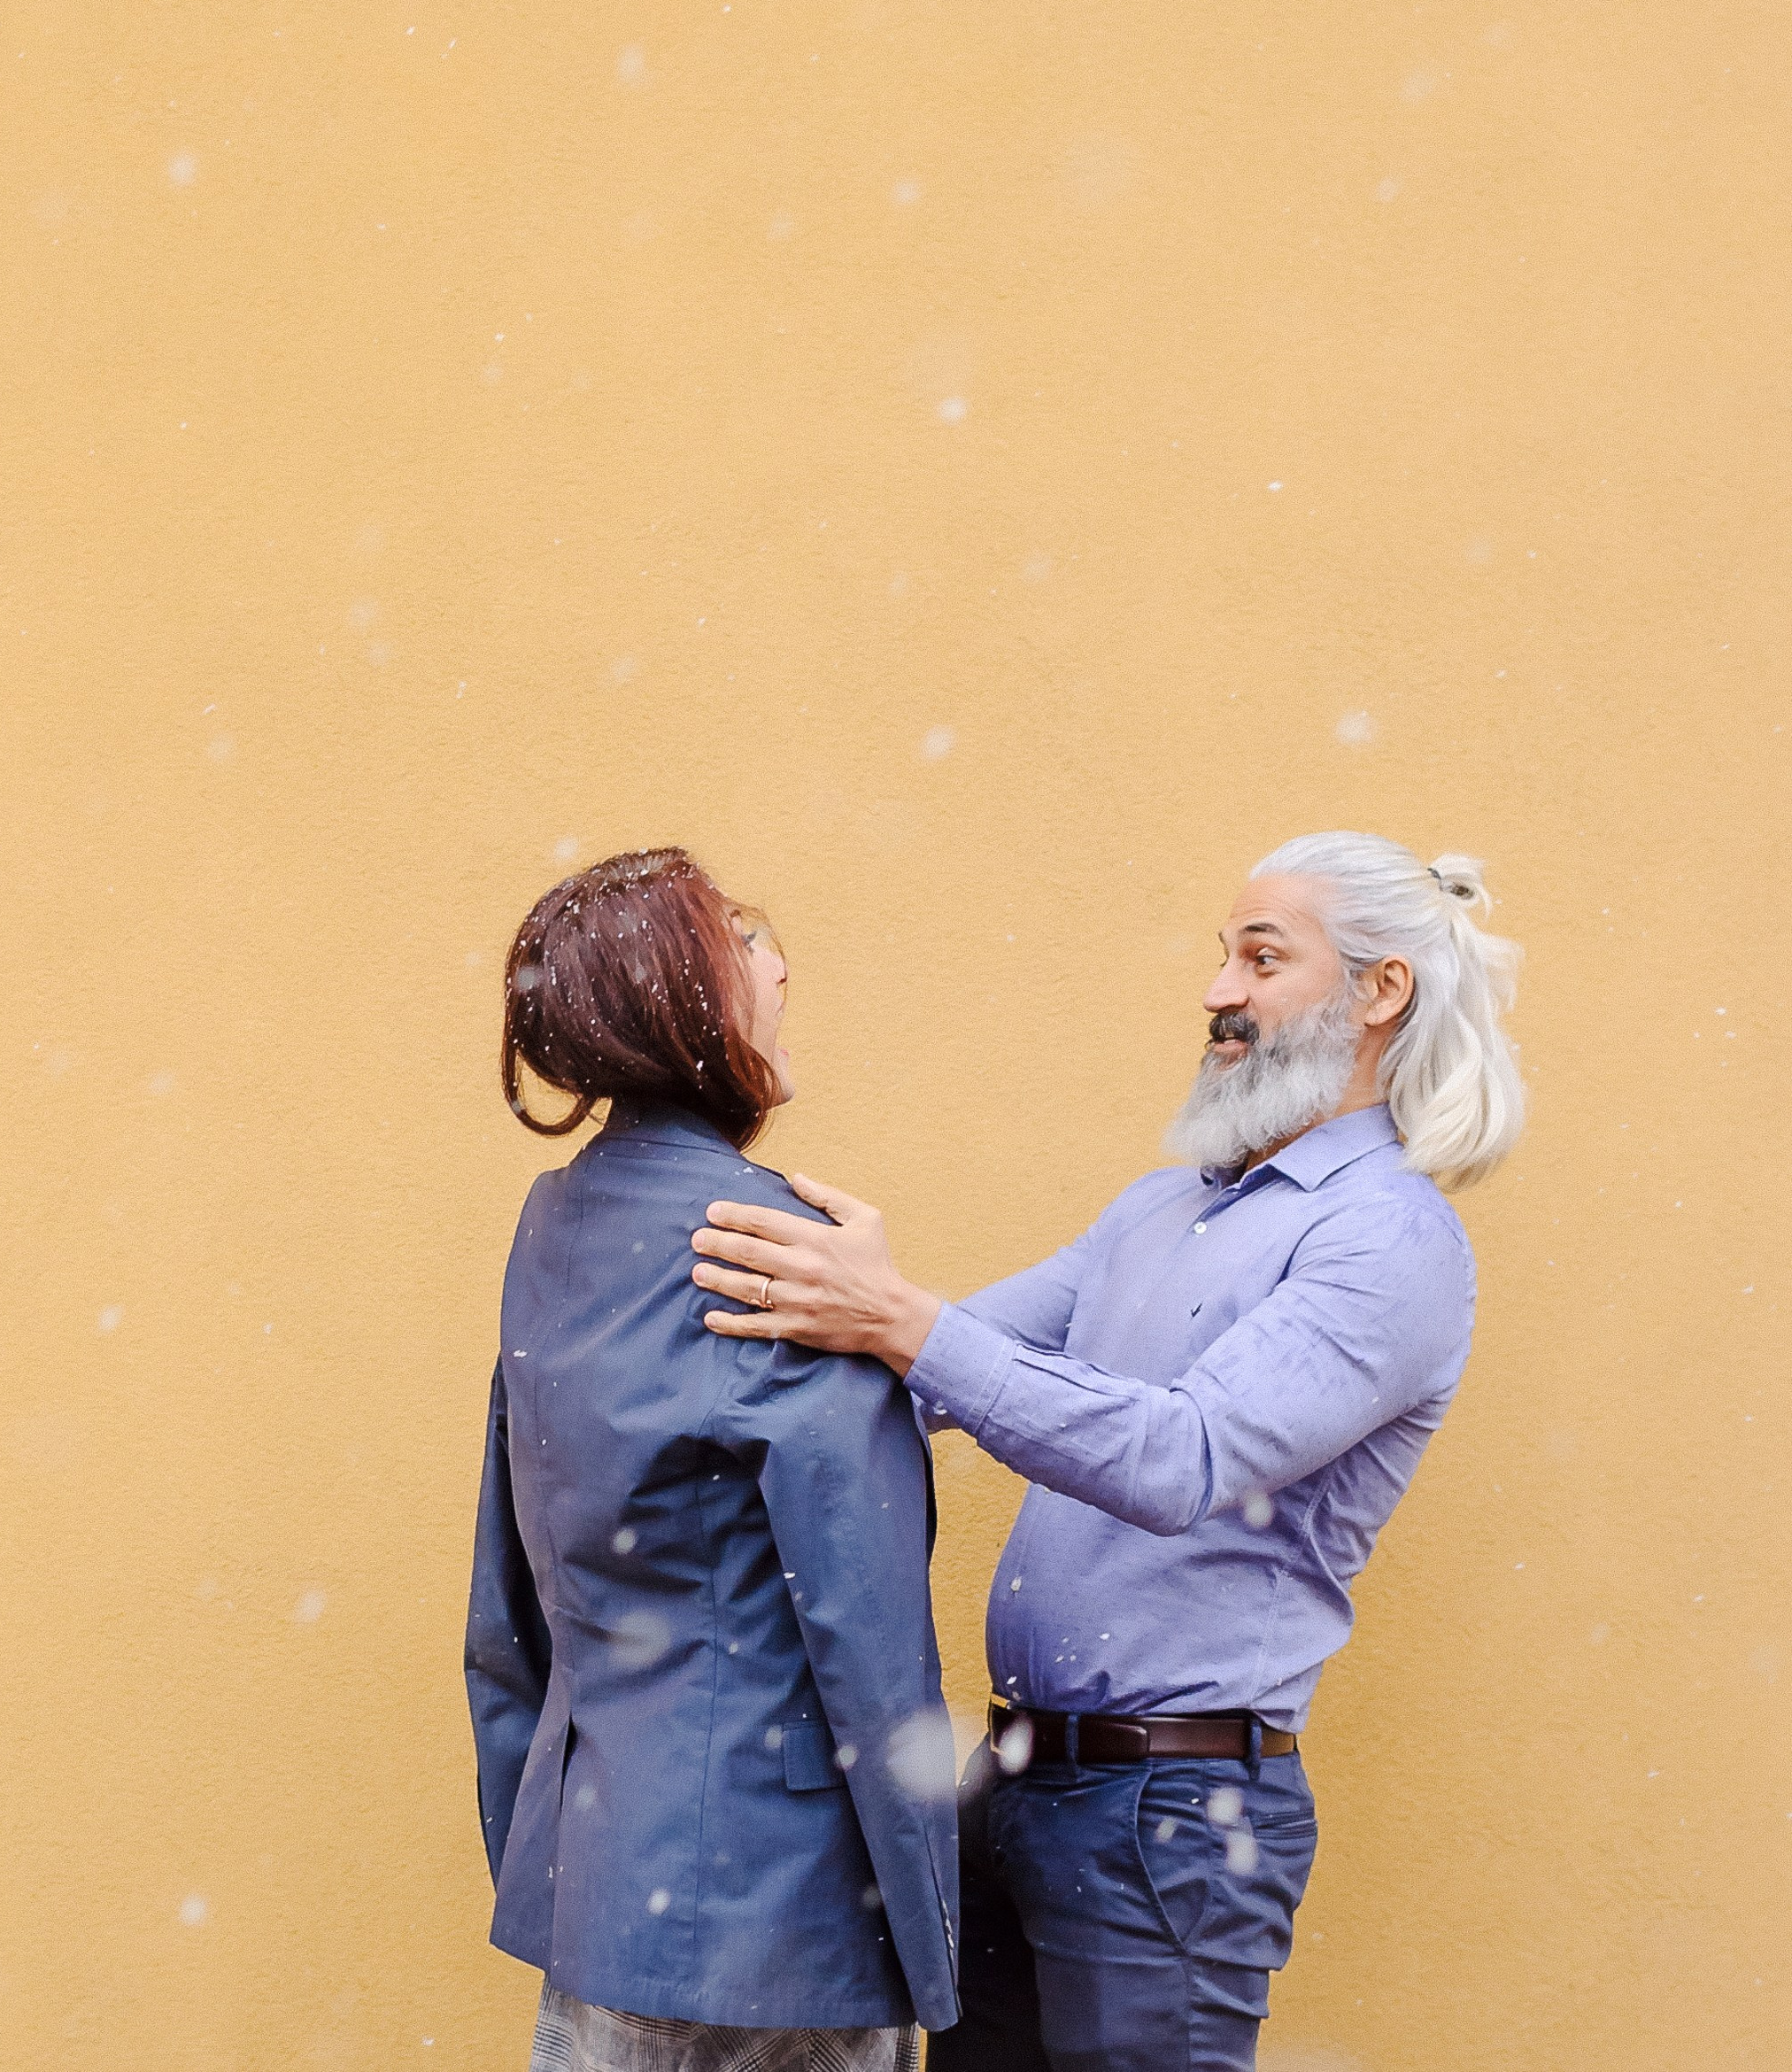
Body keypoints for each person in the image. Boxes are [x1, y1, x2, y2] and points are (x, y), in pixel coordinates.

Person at [686, 832, 1526, 2072]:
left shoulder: (1389, 1239)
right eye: (1222, 956)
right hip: (1013, 1782)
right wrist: (723, 1365)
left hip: (1169, 1819)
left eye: (1261, 959)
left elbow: (1180, 1459)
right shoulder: (1161, 1206)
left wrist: (896, 1319)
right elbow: (926, 1376)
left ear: (1379, 991)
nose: (1217, 991)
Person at [466, 847, 962, 2072]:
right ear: (672, 1003)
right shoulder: (775, 1251)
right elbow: (868, 1636)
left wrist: (544, 1841)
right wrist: (933, 1945)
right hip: (779, 1913)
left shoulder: (556, 1225)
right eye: (742, 944)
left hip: (602, 1871)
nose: (780, 967)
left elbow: (510, 1595)